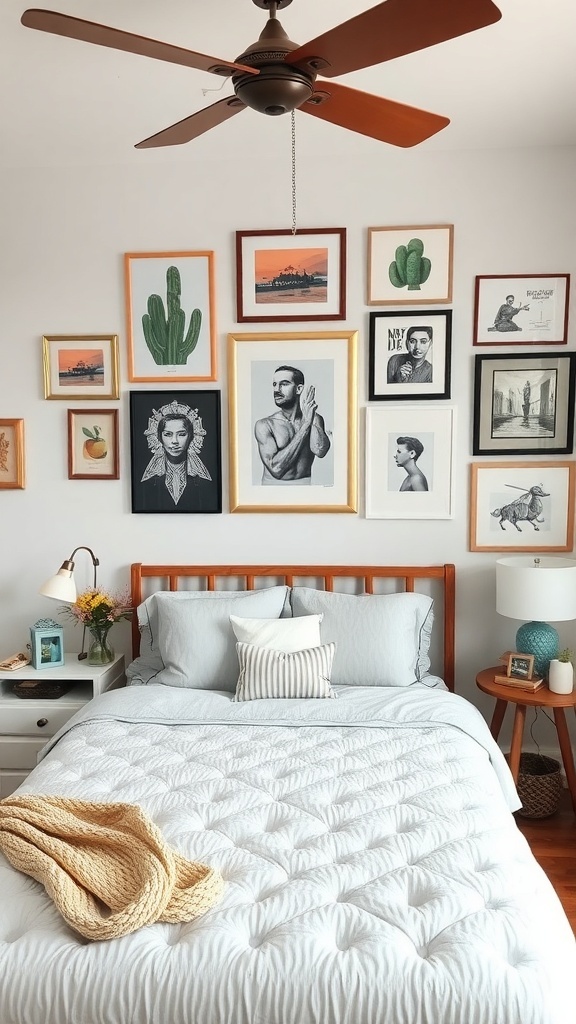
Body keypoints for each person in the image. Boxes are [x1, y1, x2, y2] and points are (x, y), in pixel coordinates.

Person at [254, 365, 331, 484]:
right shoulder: (265, 425)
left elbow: (320, 451)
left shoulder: (314, 418)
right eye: (274, 384)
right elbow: (276, 470)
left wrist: (312, 420)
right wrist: (306, 425)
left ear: (299, 389)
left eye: (284, 384)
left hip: (305, 490)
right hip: (272, 492)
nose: (277, 390)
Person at [140, 400, 212, 511]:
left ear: (191, 437)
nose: (175, 441)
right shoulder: (148, 483)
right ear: (159, 437)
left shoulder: (204, 483)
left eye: (182, 434)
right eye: (168, 434)